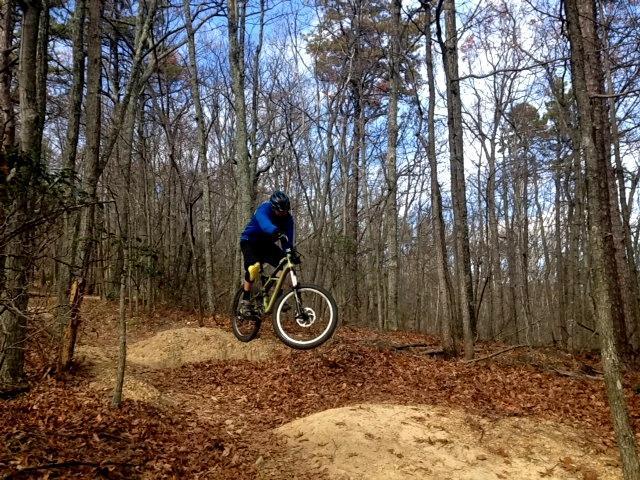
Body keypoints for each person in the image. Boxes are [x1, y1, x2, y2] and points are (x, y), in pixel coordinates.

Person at [239, 191, 297, 316]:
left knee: (285, 262)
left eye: (286, 211)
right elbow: (265, 224)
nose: (283, 214)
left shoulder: (288, 219)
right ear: (274, 207)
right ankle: (245, 301)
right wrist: (276, 231)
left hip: (266, 245)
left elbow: (288, 239)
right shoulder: (264, 208)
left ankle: (277, 296)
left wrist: (290, 251)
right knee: (253, 268)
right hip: (250, 241)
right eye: (281, 211)